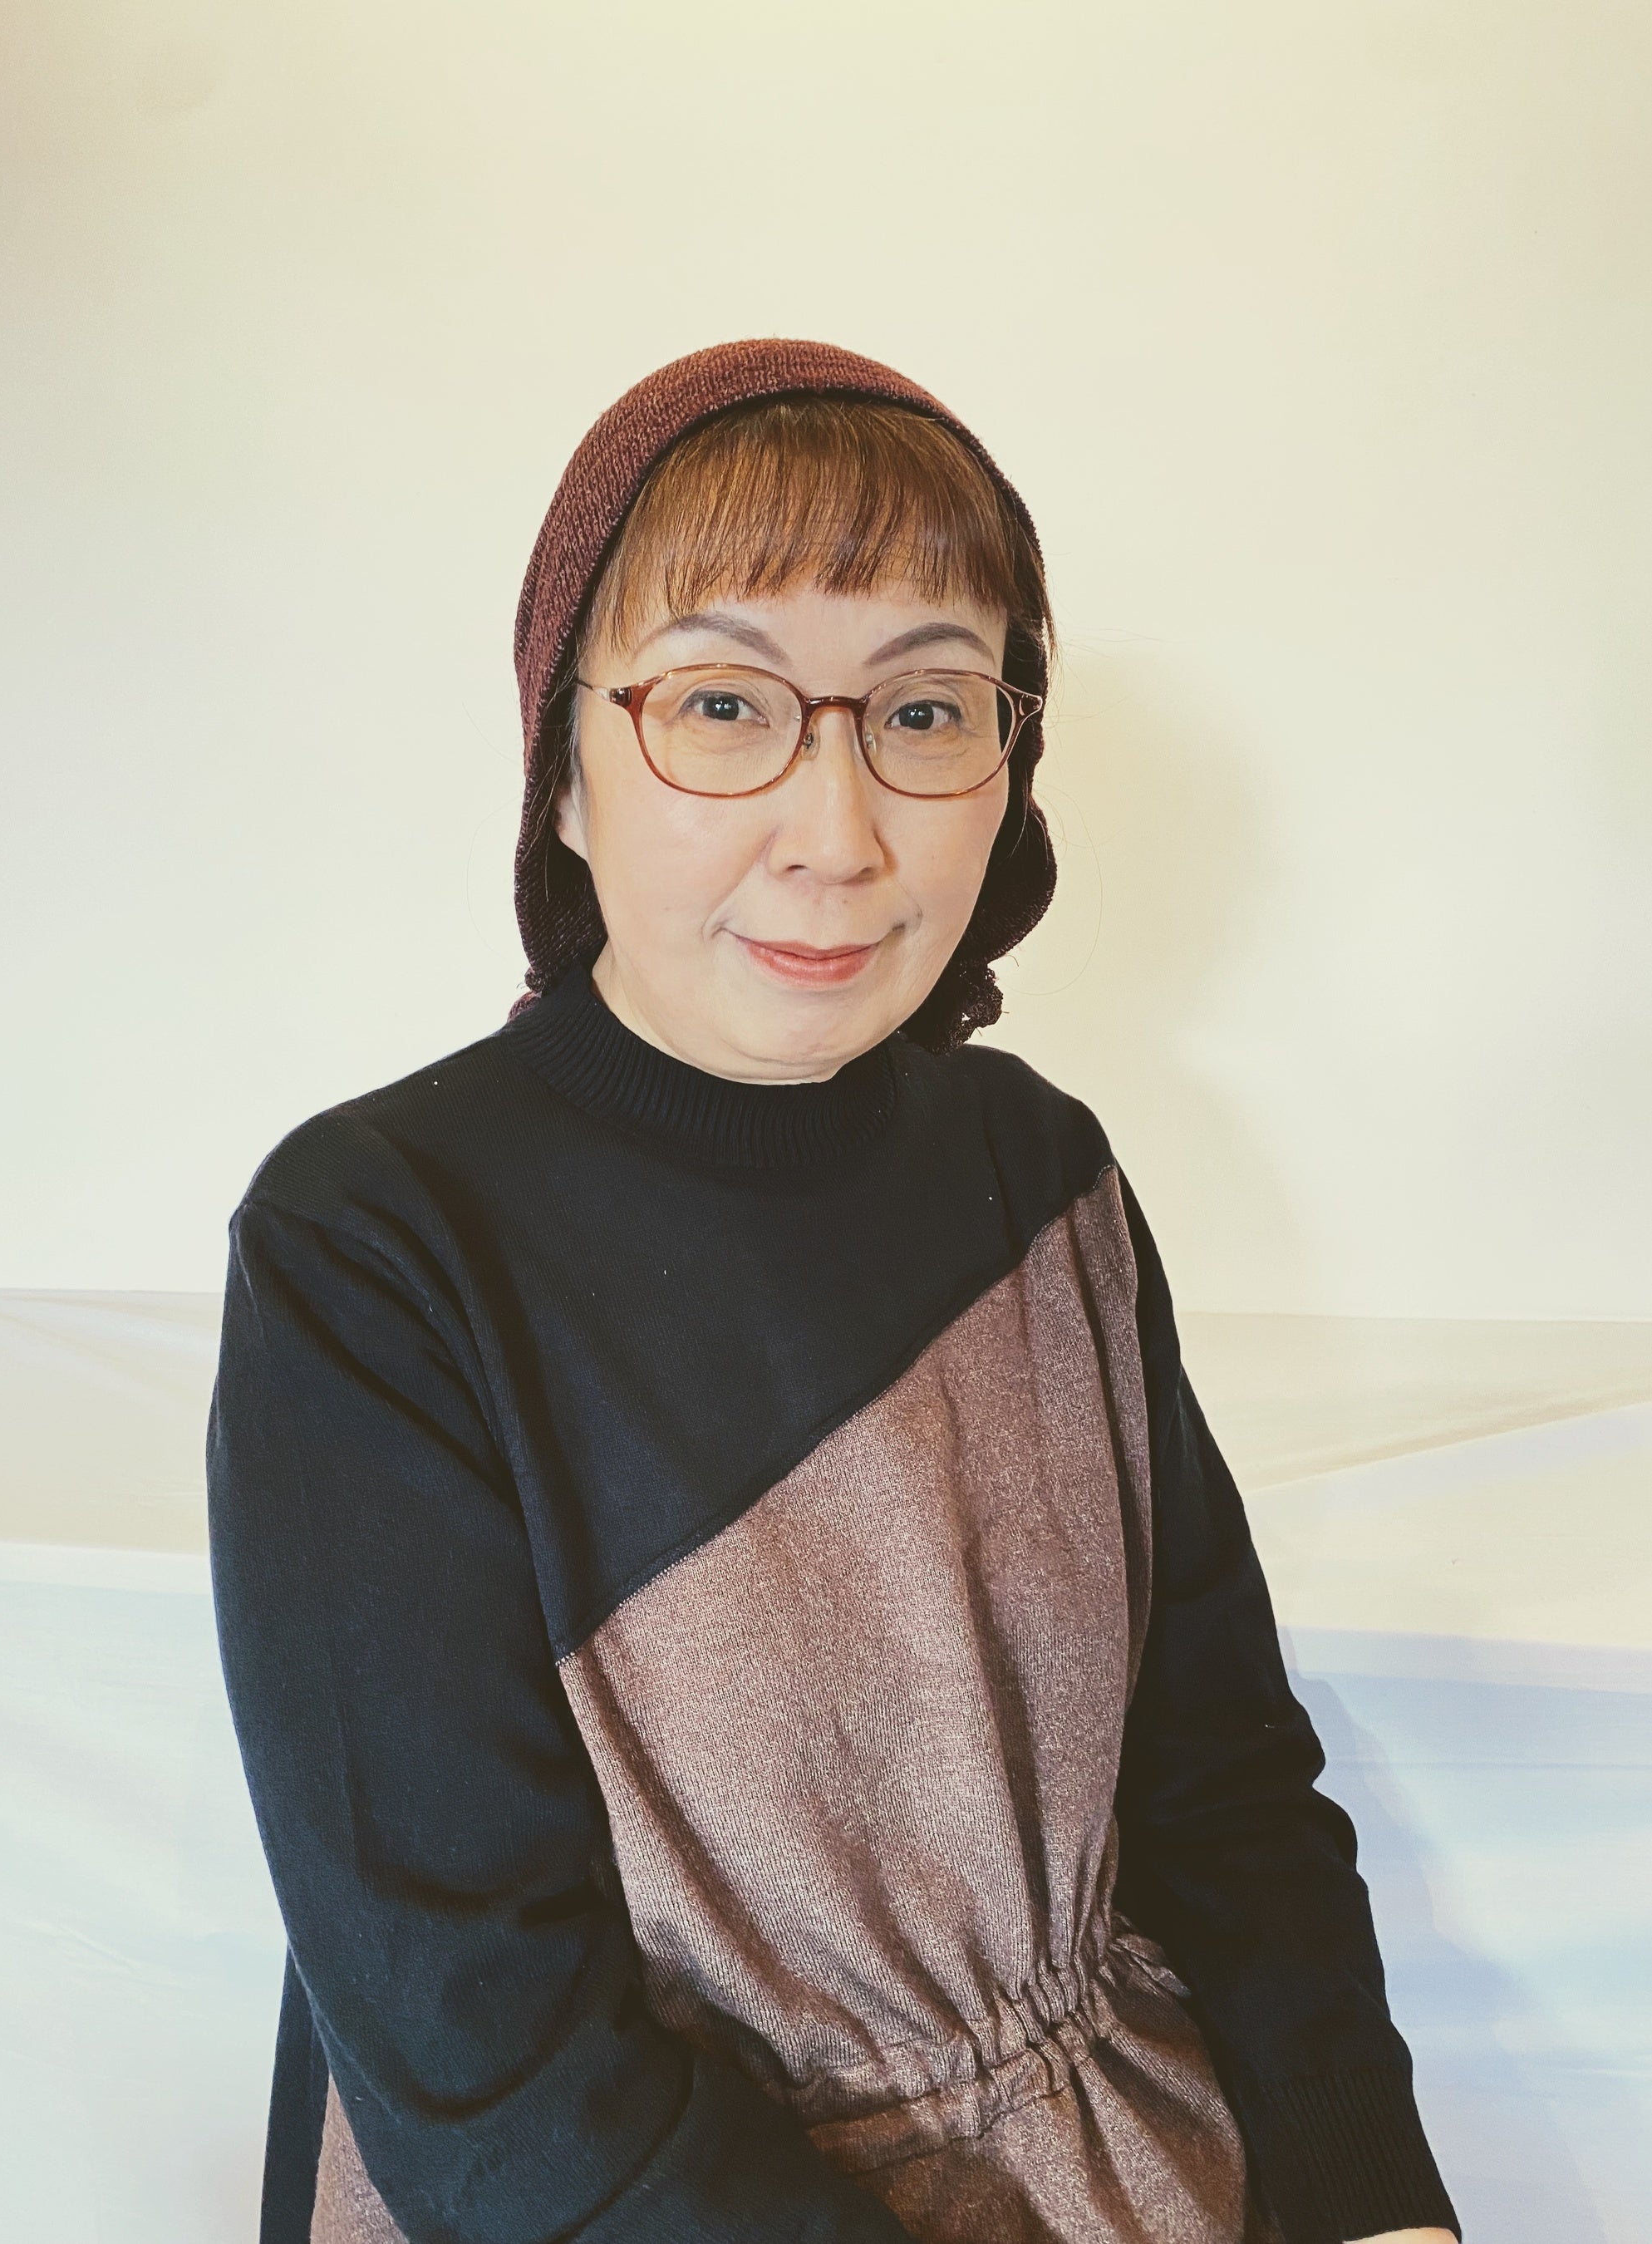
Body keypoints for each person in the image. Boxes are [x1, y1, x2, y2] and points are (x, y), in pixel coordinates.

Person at [206, 339, 1460, 2244]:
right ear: (561, 770)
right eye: (721, 704)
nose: (837, 834)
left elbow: (1222, 1793)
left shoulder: (1041, 1171)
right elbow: (490, 2075)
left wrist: (1378, 2204)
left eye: (925, 711)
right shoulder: (379, 1243)